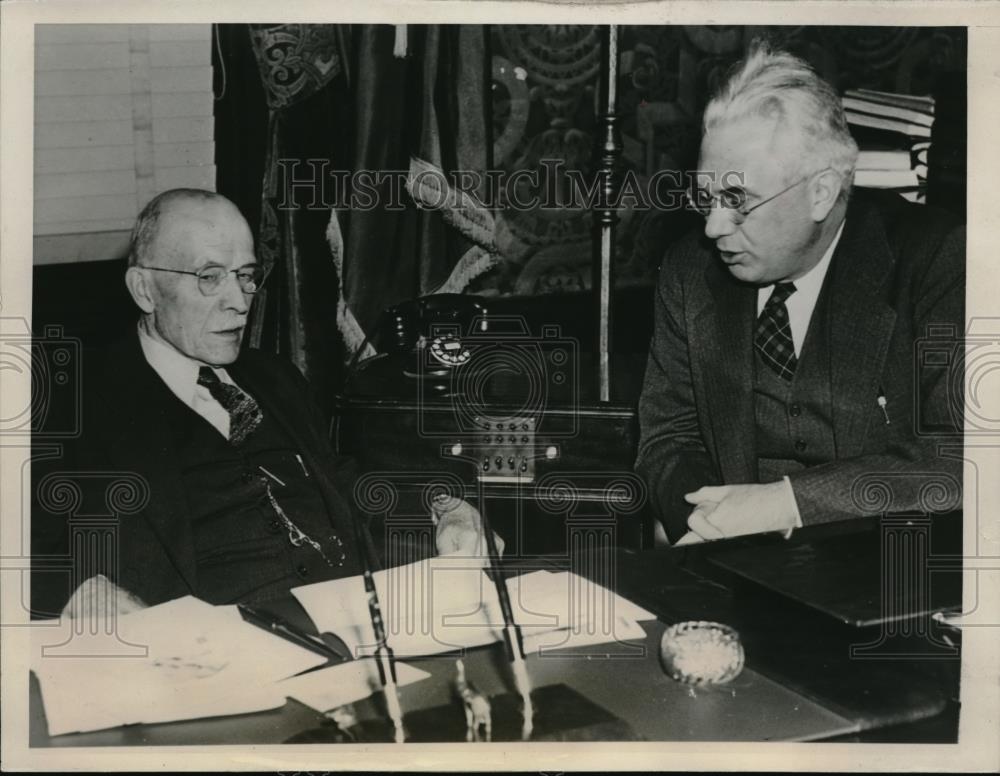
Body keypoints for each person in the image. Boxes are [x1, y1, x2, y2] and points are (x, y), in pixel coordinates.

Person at [31, 188, 494, 617]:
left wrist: (441, 506)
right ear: (144, 289)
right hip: (220, 651)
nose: (239, 301)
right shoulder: (71, 395)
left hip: (363, 616)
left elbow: (341, 484)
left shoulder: (273, 377)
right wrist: (75, 588)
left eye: (247, 276)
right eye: (210, 277)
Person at [636, 41, 965, 545]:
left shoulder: (937, 258)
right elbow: (669, 437)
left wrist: (784, 504)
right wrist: (710, 527)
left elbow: (959, 458)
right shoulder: (689, 269)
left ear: (822, 192)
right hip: (731, 564)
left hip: (887, 569)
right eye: (705, 198)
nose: (713, 227)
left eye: (737, 200)